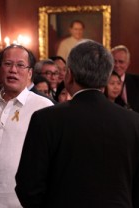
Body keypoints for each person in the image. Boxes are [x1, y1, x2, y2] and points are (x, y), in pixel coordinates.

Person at [15, 40, 139, 208]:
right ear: (106, 77)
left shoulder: (46, 119)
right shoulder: (133, 121)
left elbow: (28, 186)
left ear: (69, 75)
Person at [0, 44, 53, 208]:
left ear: (30, 73)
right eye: (7, 64)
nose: (13, 70)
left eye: (20, 65)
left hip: (23, 201)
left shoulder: (43, 106)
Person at [111, 45, 139, 112]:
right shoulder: (102, 82)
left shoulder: (137, 81)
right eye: (114, 61)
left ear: (128, 63)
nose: (117, 65)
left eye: (121, 62)